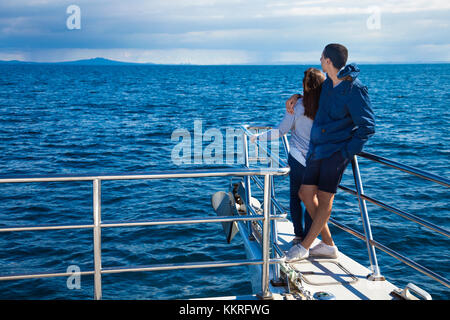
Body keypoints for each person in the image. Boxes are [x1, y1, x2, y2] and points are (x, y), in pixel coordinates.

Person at [284, 43, 375, 262]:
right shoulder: (327, 85)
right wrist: (297, 96)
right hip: (317, 150)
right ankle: (328, 244)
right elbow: (312, 97)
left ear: (328, 61)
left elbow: (367, 126)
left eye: (321, 56)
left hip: (335, 153)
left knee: (324, 199)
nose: (319, 59)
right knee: (305, 194)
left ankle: (305, 246)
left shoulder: (354, 89)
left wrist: (346, 152)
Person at [251, 68, 325, 245]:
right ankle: (309, 236)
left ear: (304, 86)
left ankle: (298, 236)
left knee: (295, 196)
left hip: (298, 158)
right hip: (318, 159)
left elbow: (281, 130)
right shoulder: (326, 106)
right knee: (312, 198)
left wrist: (257, 138)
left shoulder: (298, 107)